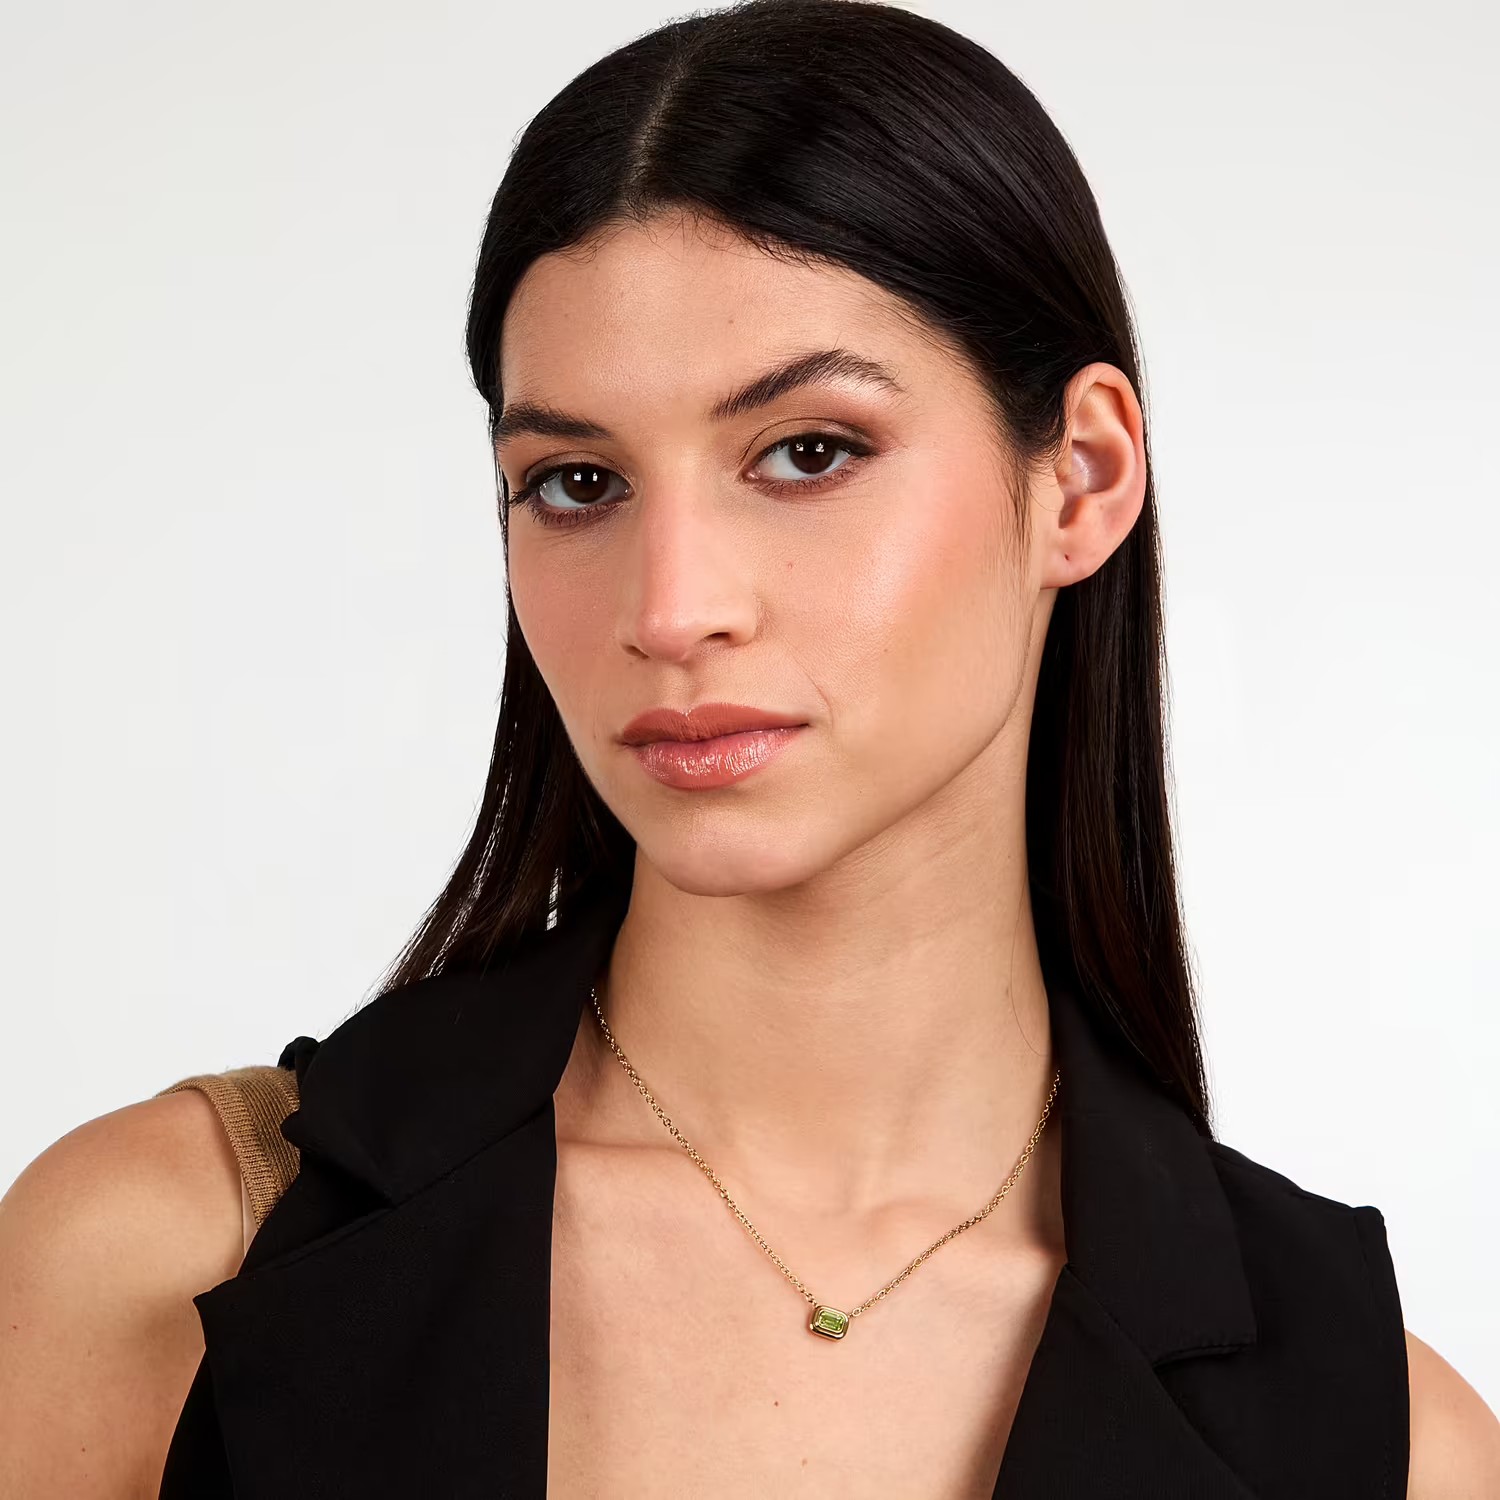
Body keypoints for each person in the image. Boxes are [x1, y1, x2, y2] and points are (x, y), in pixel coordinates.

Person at [2, 0, 1496, 1494]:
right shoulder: (153, 1269)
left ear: (1083, 478)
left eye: (807, 452)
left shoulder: (1390, 1450)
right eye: (577, 482)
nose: (670, 610)